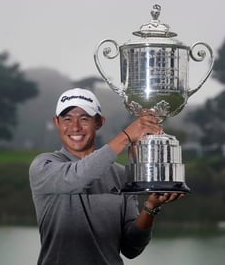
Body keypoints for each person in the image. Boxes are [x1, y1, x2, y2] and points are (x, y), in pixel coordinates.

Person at [29, 88, 184, 265]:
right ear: (56, 122)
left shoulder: (121, 175)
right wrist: (126, 136)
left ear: (99, 122)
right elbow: (78, 177)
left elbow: (131, 248)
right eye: (67, 119)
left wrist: (150, 207)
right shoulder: (43, 166)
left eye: (84, 118)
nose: (75, 127)